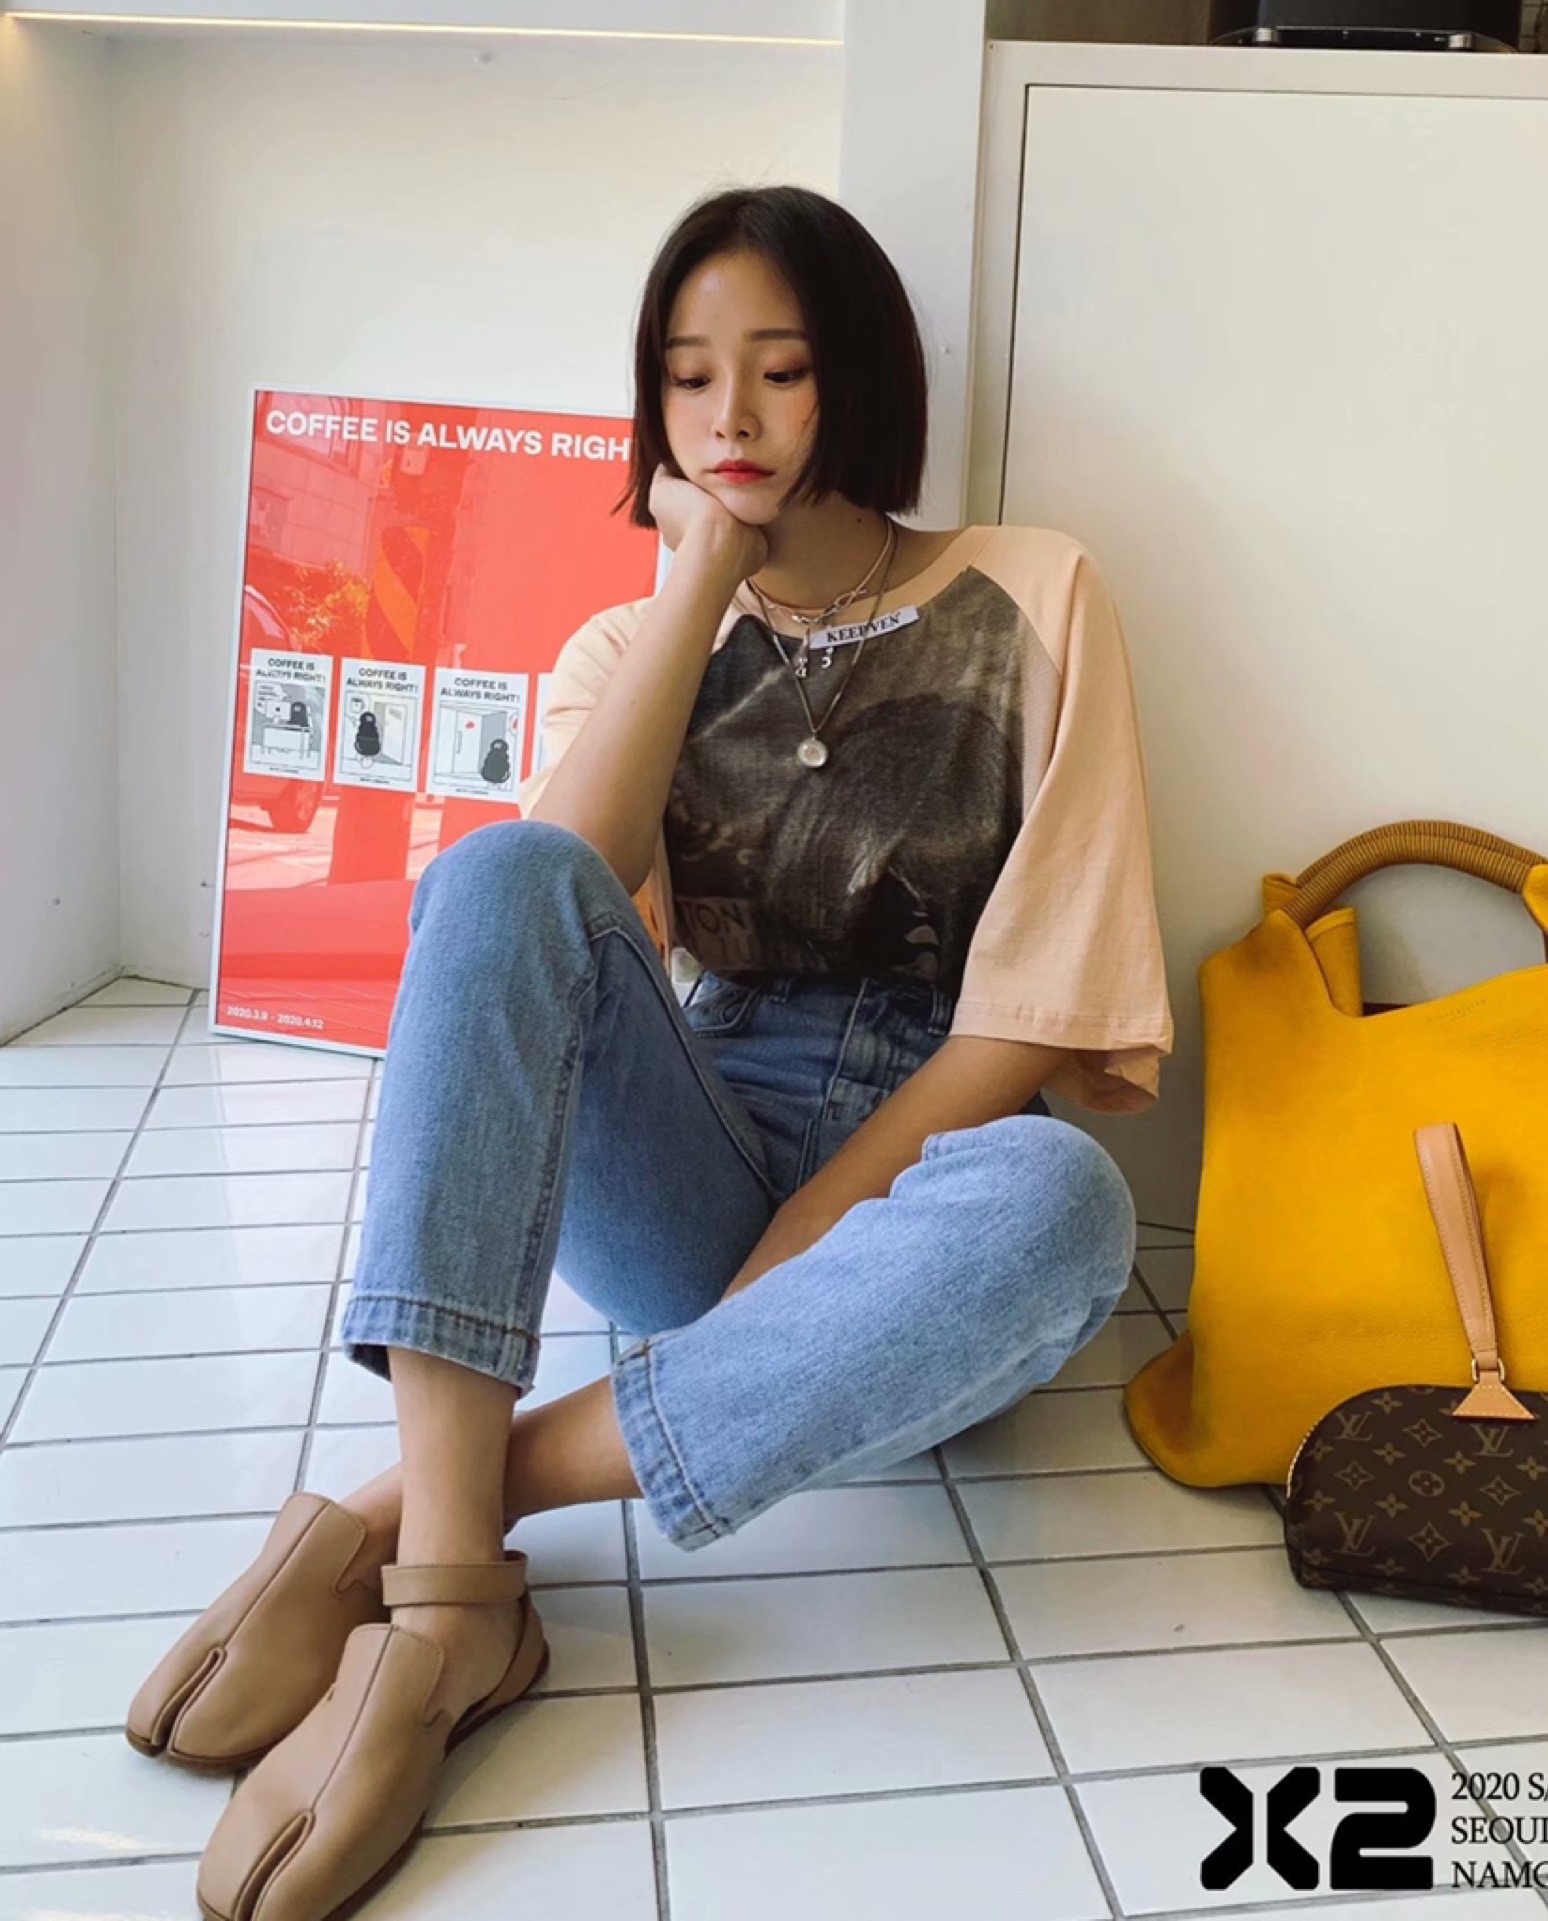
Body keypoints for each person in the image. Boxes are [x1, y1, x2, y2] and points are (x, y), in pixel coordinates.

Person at [124, 184, 1174, 1921]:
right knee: (499, 868)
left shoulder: (1039, 590)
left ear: (861, 378)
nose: (730, 416)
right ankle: (455, 1612)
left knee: (1070, 1204)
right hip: (698, 1134)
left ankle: (395, 1519)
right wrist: (698, 578)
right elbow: (557, 904)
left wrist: (809, 1244)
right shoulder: (627, 646)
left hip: (929, 1190)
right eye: (688, 377)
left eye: (780, 369)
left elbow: (1034, 1008)